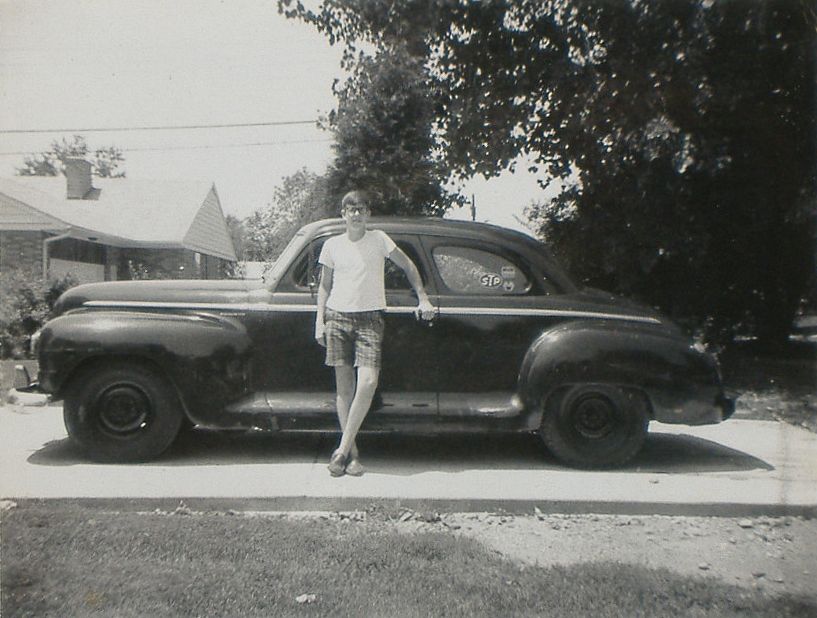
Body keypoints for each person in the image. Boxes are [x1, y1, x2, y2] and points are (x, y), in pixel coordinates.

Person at [314, 190, 434, 477]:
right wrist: (319, 320)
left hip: (370, 320)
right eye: (350, 208)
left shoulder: (379, 239)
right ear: (343, 213)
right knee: (344, 389)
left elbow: (407, 264)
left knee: (367, 382)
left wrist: (423, 297)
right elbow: (324, 287)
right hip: (337, 318)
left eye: (361, 208)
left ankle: (340, 451)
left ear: (368, 214)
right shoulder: (332, 245)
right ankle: (353, 455)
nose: (356, 214)